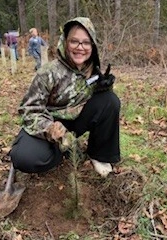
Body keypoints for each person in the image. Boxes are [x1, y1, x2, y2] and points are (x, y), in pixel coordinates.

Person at [9, 17, 120, 177]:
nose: (80, 47)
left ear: (93, 45)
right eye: (74, 41)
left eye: (86, 43)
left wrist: (105, 87)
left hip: (77, 120)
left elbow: (100, 106)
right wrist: (49, 129)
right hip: (49, 122)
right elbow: (29, 110)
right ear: (65, 42)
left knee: (110, 101)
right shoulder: (48, 73)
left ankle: (99, 155)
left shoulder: (92, 70)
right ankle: (61, 151)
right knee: (25, 158)